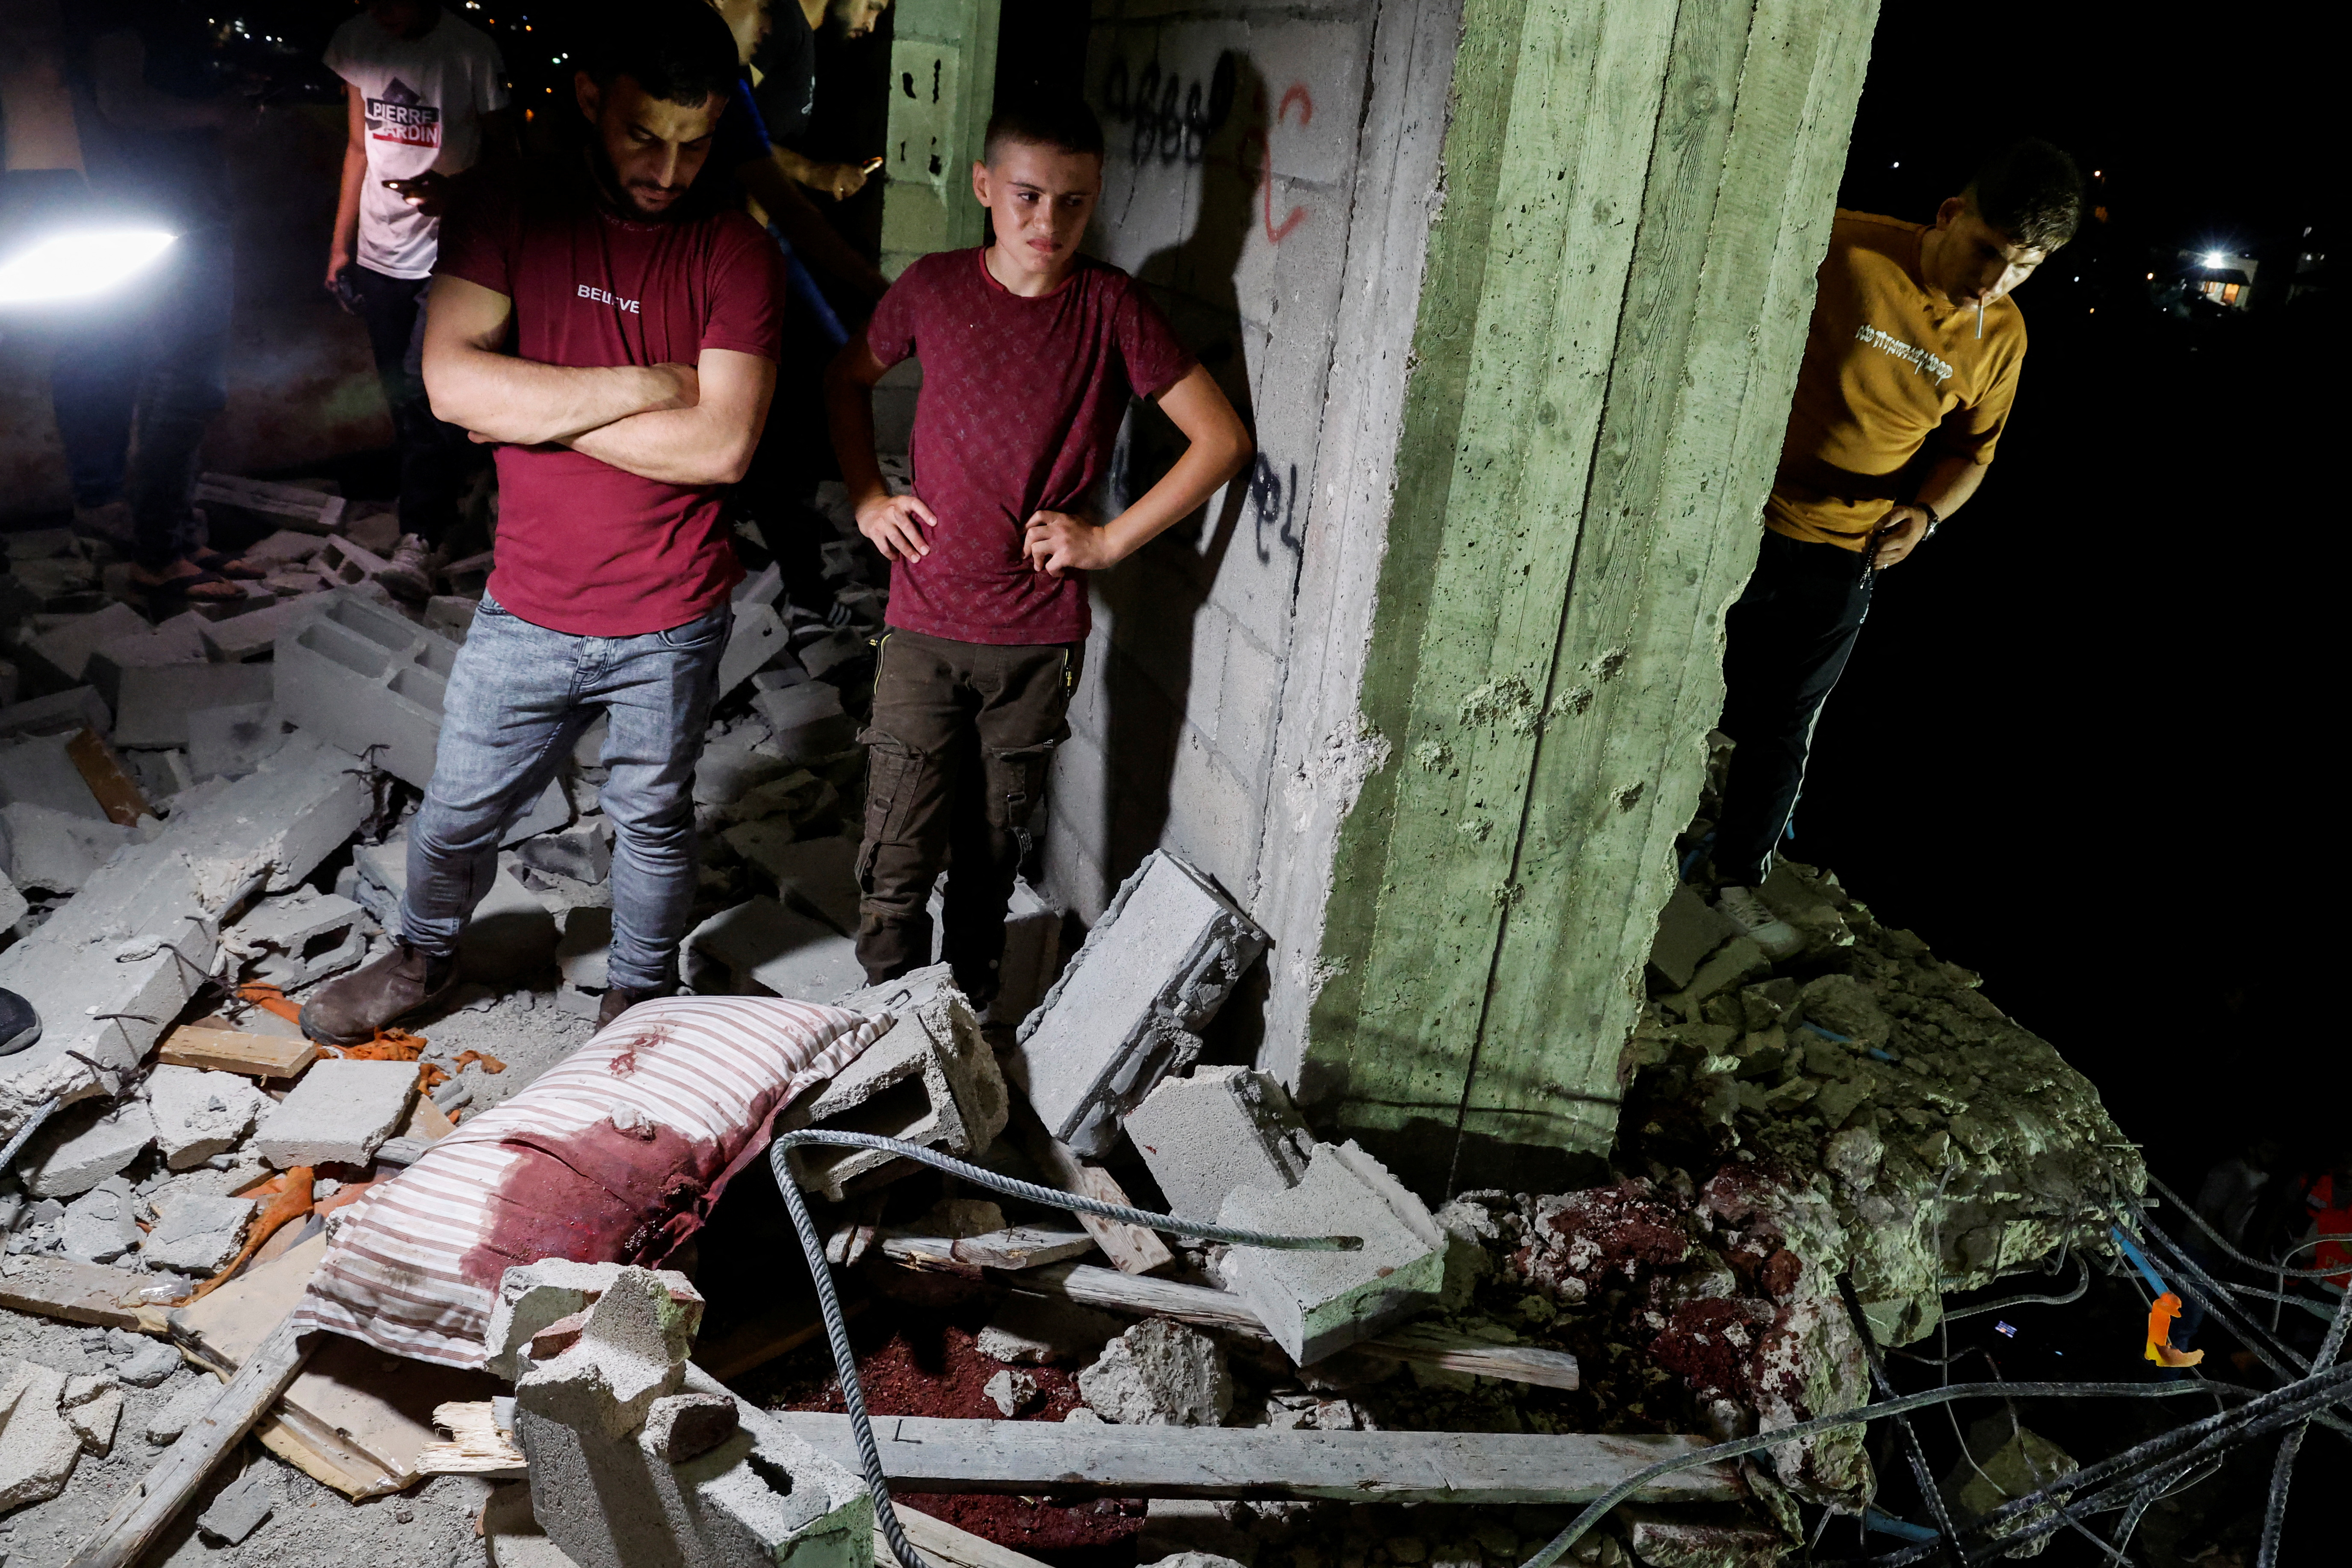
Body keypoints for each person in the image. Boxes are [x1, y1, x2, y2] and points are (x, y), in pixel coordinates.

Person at [299, 0, 786, 1044]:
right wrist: (650, 383)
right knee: (459, 811)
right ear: (588, 100)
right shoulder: (509, 206)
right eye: (643, 136)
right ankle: (422, 957)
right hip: (528, 605)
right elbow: (449, 386)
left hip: (671, 609)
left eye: (694, 145)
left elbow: (720, 449)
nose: (668, 169)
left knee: (652, 820)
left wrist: (534, 409)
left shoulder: (737, 255)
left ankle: (638, 1001)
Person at [824, 97, 1251, 1006]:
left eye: (1072, 202)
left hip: (1034, 638)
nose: (1046, 223)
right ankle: (880, 1030)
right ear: (983, 188)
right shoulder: (934, 289)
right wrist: (868, 496)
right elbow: (845, 376)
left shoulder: (1110, 308)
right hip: (924, 622)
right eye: (1024, 196)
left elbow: (1219, 441)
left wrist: (1108, 539)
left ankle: (967, 1023)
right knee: (897, 841)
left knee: (989, 852)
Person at [1707, 139, 2082, 950]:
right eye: (1988, 250)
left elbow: (1971, 451)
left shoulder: (2002, 337)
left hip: (1848, 548)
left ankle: (1735, 881)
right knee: (1682, 682)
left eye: (2025, 266)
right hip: (1732, 517)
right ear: (1951, 215)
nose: (1996, 281)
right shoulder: (1844, 243)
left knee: (1787, 722)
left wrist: (1928, 516)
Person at [50, 0, 261, 608]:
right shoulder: (125, 14)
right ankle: (158, 557)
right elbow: (121, 101)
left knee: (177, 386)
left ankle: (176, 541)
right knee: (189, 389)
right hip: (173, 220)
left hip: (179, 216)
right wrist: (219, 110)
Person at [322, 0, 513, 600]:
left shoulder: (470, 51)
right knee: (402, 398)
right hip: (380, 256)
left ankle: (422, 534)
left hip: (451, 252)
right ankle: (452, 500)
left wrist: (455, 194)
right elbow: (358, 148)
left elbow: (509, 157)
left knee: (427, 387)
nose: (384, 9)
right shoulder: (355, 39)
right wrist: (339, 245)